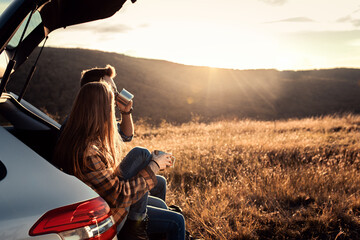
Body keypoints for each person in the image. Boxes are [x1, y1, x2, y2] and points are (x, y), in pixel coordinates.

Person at [53, 81, 186, 240]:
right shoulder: (88, 151)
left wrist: (126, 112)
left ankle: (141, 223)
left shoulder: (79, 131)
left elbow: (126, 135)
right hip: (107, 213)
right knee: (177, 220)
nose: (114, 106)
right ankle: (135, 229)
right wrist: (154, 165)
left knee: (147, 168)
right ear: (102, 109)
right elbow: (118, 196)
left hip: (102, 198)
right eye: (111, 104)